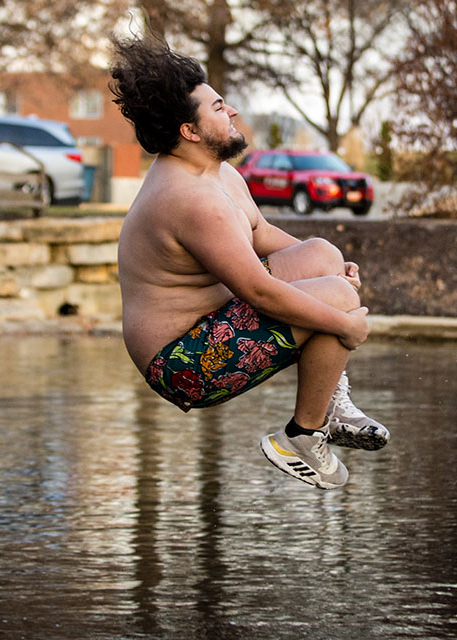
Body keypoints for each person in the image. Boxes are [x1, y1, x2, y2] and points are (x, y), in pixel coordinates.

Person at [109, 35, 389, 490]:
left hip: (213, 321)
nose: (232, 112)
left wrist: (327, 270)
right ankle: (302, 435)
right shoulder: (191, 200)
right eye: (218, 108)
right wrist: (345, 325)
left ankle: (331, 405)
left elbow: (260, 235)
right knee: (337, 303)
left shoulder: (217, 172)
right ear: (190, 131)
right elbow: (258, 290)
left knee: (324, 253)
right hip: (182, 364)